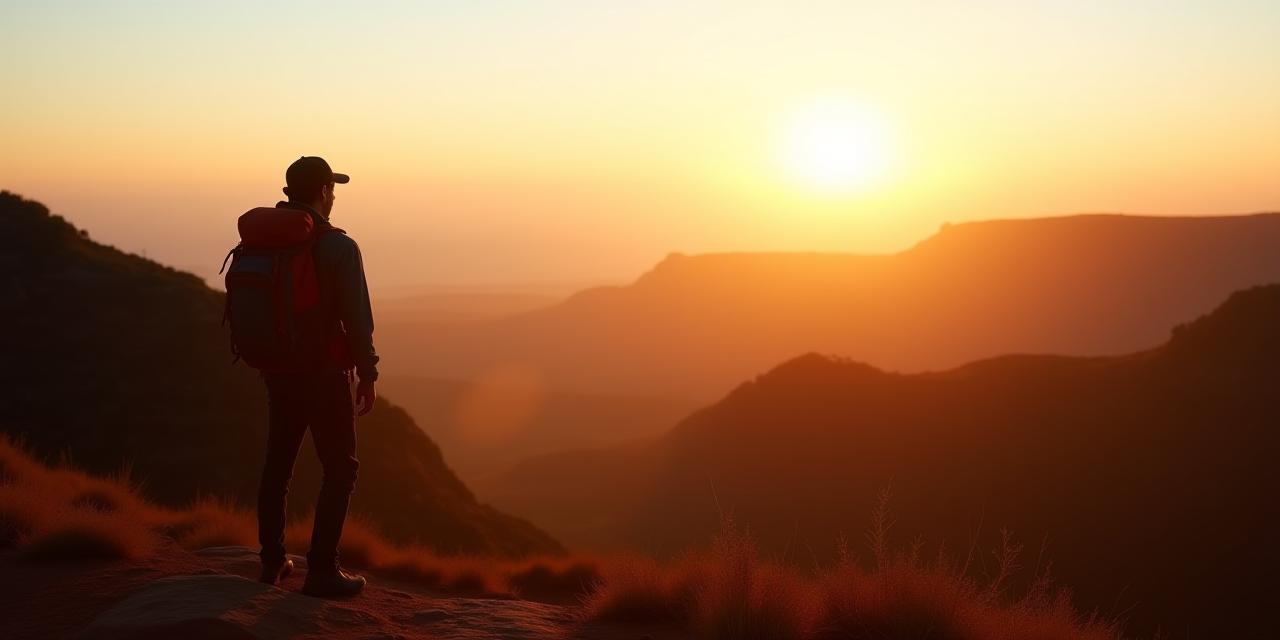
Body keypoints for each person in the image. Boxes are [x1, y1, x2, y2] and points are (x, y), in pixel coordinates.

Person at [255, 156, 379, 597]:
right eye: (332, 188)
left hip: (278, 369)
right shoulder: (339, 247)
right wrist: (368, 372)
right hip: (324, 373)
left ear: (290, 191)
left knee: (278, 465)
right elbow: (357, 320)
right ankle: (323, 570)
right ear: (324, 191)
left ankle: (272, 561)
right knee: (340, 469)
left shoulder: (265, 241)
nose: (333, 196)